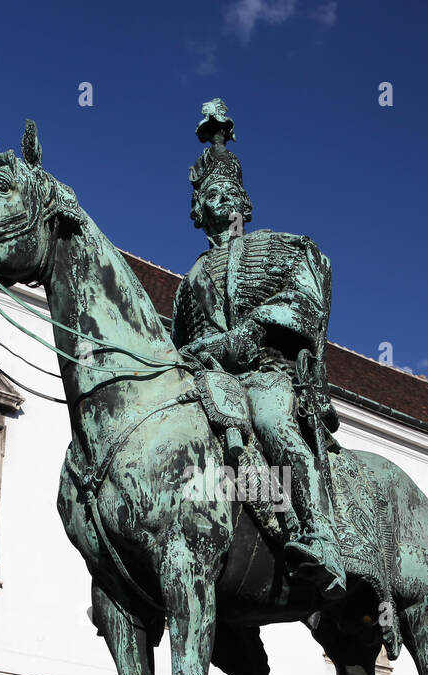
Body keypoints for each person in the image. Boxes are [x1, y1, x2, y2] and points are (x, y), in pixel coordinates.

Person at [171, 99, 346, 599]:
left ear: (244, 204)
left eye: (228, 192)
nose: (219, 200)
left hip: (266, 374)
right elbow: (180, 344)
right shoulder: (188, 284)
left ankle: (318, 537)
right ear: (196, 210)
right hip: (211, 382)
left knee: (269, 422)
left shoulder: (281, 247)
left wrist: (244, 336)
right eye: (209, 195)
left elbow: (305, 294)